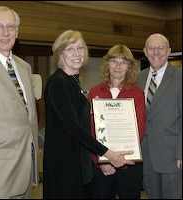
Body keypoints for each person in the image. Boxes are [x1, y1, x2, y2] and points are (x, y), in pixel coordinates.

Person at [43, 30, 135, 199]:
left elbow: (72, 114)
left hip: (79, 165)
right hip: (65, 167)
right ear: (60, 54)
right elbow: (73, 127)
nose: (77, 53)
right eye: (70, 49)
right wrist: (109, 154)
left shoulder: (73, 81)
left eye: (80, 48)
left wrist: (93, 109)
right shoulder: (58, 82)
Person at [0, 6, 39, 199]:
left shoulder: (24, 67)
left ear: (17, 31)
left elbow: (29, 120)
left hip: (25, 172)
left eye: (10, 26)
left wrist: (33, 168)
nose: (5, 32)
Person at [87, 44, 146, 199]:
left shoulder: (137, 94)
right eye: (114, 61)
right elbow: (89, 130)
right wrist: (102, 160)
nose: (118, 66)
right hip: (102, 165)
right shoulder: (94, 92)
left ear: (129, 67)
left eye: (123, 62)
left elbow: (139, 129)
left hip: (129, 164)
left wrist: (119, 159)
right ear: (107, 64)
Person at [136, 33, 182, 199]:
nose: (156, 52)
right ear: (145, 51)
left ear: (168, 51)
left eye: (161, 47)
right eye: (151, 48)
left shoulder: (179, 76)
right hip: (145, 155)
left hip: (172, 156)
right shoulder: (138, 78)